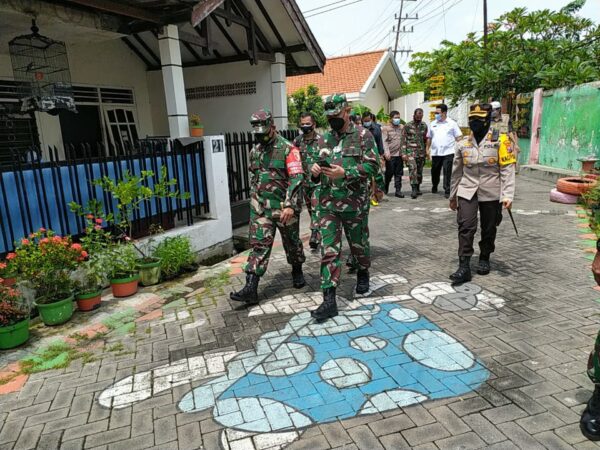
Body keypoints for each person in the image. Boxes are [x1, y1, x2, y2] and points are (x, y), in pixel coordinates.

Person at [310, 94, 379, 322]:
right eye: (329, 117)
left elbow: (372, 166)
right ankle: (329, 299)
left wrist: (346, 173)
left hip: (354, 204)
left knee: (359, 244)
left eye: (337, 116)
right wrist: (315, 172)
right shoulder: (323, 139)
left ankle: (362, 271)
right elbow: (315, 167)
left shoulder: (363, 136)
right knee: (329, 250)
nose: (333, 120)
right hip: (328, 204)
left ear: (347, 111)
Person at [230, 109, 306, 305]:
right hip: (262, 209)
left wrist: (290, 205)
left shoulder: (289, 149)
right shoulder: (255, 152)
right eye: (258, 134)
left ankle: (297, 269)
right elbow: (255, 179)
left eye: (264, 132)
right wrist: (255, 203)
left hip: (285, 208)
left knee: (292, 243)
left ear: (273, 127)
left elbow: (296, 178)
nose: (261, 137)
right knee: (259, 246)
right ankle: (250, 288)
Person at [448, 103, 516, 284]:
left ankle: (485, 256)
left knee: (489, 227)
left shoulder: (501, 141)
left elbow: (507, 169)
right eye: (472, 119)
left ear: (487, 121)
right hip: (467, 189)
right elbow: (456, 172)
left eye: (479, 119)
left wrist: (507, 195)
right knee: (466, 225)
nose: (475, 123)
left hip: (491, 191)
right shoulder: (463, 143)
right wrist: (452, 196)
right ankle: (464, 266)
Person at [293, 112, 324, 250]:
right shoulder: (297, 142)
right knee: (312, 210)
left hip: (319, 182)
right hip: (305, 183)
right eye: (302, 124)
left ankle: (315, 234)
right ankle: (319, 231)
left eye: (308, 124)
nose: (305, 126)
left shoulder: (322, 140)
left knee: (316, 205)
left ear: (314, 124)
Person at [427, 104, 463, 198]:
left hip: (448, 152)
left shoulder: (452, 123)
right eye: (435, 112)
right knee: (435, 171)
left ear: (444, 113)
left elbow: (459, 136)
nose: (436, 114)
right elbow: (429, 138)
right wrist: (427, 149)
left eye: (438, 113)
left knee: (448, 171)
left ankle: (447, 189)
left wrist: (460, 148)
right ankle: (434, 185)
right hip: (436, 152)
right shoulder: (433, 123)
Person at [402, 108, 429, 199]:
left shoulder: (424, 125)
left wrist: (427, 151)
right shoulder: (408, 126)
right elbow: (403, 140)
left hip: (421, 152)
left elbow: (426, 140)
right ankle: (413, 188)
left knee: (419, 171)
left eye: (420, 116)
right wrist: (404, 153)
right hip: (410, 152)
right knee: (413, 169)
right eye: (417, 116)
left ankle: (418, 187)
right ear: (414, 115)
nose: (419, 117)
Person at [362, 112, 385, 206]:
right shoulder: (360, 130)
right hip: (364, 156)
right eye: (365, 121)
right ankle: (368, 197)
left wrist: (381, 156)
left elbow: (380, 143)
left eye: (368, 120)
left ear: (371, 119)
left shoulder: (376, 129)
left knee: (377, 177)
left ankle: (376, 196)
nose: (366, 122)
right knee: (366, 178)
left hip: (375, 155)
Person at [490, 101, 520, 172]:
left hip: (504, 145)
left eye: (493, 110)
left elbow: (510, 132)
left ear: (499, 109)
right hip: (491, 144)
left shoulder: (506, 118)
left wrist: (515, 144)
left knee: (506, 163)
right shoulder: (488, 119)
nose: (491, 112)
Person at [382, 110, 404, 198]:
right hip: (390, 155)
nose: (397, 119)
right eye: (395, 118)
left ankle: (398, 190)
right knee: (389, 173)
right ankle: (385, 188)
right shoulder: (385, 128)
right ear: (391, 119)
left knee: (399, 173)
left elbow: (403, 140)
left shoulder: (402, 127)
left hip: (399, 154)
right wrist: (386, 153)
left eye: (398, 118)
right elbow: (384, 141)